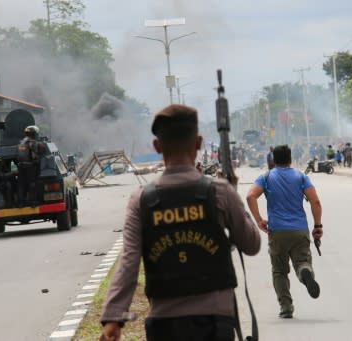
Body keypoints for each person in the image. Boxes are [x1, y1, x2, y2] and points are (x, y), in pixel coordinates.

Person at [99, 104, 261, 341]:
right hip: (215, 322)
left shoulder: (142, 199)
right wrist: (233, 196)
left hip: (164, 324)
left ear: (157, 146)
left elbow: (129, 261)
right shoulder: (220, 192)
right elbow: (252, 244)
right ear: (198, 143)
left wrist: (113, 318)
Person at [246, 145, 323, 319]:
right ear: (290, 159)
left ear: (273, 160)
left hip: (277, 231)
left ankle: (286, 307)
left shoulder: (266, 177)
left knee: (279, 271)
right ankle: (305, 271)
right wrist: (318, 227)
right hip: (299, 230)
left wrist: (258, 220)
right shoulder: (301, 177)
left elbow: (250, 196)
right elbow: (315, 202)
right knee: (302, 261)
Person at [17, 125, 43, 205]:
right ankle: (33, 201)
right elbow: (34, 156)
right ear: (34, 133)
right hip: (30, 166)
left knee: (21, 184)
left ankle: (21, 202)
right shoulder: (33, 143)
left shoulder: (21, 142)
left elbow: (19, 156)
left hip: (21, 166)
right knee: (32, 183)